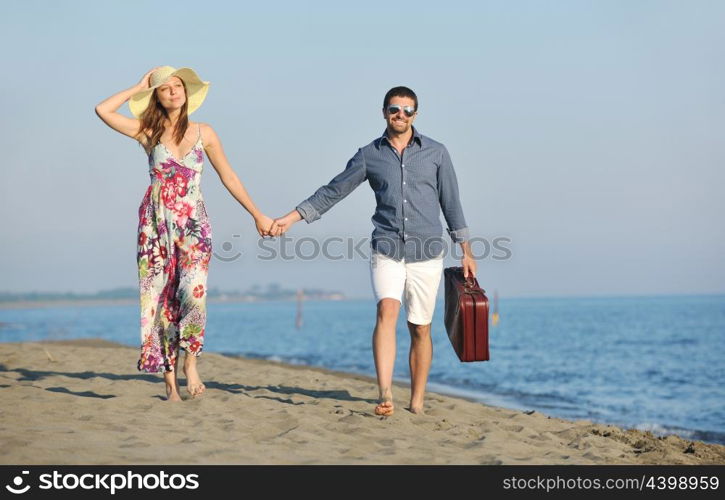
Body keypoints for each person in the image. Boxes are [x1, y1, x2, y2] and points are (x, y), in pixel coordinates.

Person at [270, 86, 476, 415]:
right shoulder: (369, 155)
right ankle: (385, 394)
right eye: (395, 109)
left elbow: (452, 203)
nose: (401, 115)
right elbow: (332, 191)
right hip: (387, 247)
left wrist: (465, 251)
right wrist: (291, 218)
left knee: (420, 327)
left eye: (408, 110)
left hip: (428, 252)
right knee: (386, 312)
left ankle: (418, 401)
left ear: (416, 115)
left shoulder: (436, 153)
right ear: (384, 112)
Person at [95, 66, 274, 401]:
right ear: (157, 97)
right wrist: (137, 86)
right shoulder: (146, 132)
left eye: (178, 86)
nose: (173, 91)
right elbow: (102, 110)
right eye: (165, 88)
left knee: (193, 294)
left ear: (187, 93)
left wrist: (257, 214)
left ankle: (191, 362)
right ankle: (170, 384)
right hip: (155, 226)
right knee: (160, 300)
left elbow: (229, 177)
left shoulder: (205, 132)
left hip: (194, 225)